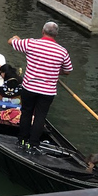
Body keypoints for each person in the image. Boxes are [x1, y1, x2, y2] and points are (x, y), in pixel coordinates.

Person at [9, 21, 73, 153]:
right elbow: (67, 70)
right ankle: (33, 144)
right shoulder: (62, 51)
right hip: (47, 91)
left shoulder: (31, 43)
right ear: (56, 34)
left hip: (30, 87)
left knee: (26, 112)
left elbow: (10, 42)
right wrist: (54, 69)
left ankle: (22, 140)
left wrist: (16, 38)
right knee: (40, 116)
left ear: (42, 31)